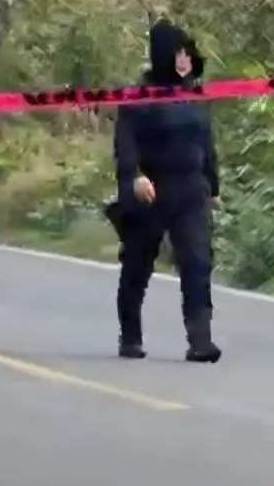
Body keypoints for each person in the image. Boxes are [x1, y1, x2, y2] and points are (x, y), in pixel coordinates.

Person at [113, 19, 223, 363]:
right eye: (176, 53)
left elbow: (206, 142)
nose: (183, 60)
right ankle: (130, 335)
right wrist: (133, 177)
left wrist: (214, 186)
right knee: (137, 263)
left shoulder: (194, 95)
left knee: (197, 262)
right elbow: (125, 142)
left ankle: (200, 340)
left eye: (187, 53)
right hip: (152, 189)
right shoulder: (139, 96)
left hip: (191, 189)